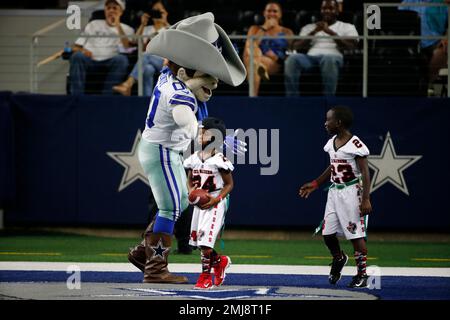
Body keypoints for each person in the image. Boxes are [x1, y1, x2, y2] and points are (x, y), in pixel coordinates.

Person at [129, 12, 246, 284]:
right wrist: (213, 139)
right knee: (170, 208)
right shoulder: (180, 94)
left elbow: (170, 61)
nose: (214, 83)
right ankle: (155, 268)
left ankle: (142, 253)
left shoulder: (171, 75)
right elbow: (186, 121)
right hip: (161, 150)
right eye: (208, 75)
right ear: (183, 72)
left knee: (179, 203)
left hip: (163, 148)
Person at [299, 106, 372, 288]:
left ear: (338, 123)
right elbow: (333, 167)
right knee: (327, 233)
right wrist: (316, 183)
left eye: (329, 119)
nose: (325, 122)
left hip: (351, 192)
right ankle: (339, 258)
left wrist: (365, 198)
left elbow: (365, 172)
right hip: (334, 191)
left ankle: (362, 274)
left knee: (355, 234)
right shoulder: (332, 142)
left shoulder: (355, 144)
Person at [184, 117, 234, 289]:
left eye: (203, 131)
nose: (199, 133)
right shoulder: (193, 158)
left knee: (205, 244)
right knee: (200, 242)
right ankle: (220, 262)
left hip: (215, 201)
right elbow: (189, 180)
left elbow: (229, 184)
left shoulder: (219, 159)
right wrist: (191, 191)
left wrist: (216, 199)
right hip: (200, 203)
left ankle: (205, 277)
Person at [284, 0, 358, 96]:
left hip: (333, 57)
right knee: (292, 59)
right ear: (321, 11)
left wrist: (330, 32)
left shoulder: (347, 27)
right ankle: (292, 99)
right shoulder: (309, 27)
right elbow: (296, 46)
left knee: (329, 59)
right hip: (310, 59)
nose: (327, 11)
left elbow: (351, 46)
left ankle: (328, 100)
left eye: (331, 8)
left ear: (337, 10)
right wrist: (314, 32)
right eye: (324, 8)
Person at [69, 0, 134, 95]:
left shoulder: (128, 29)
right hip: (90, 59)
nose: (111, 10)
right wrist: (83, 51)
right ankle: (76, 97)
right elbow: (76, 47)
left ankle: (106, 97)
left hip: (111, 61)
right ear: (105, 11)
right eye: (108, 8)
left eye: (114, 8)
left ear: (121, 12)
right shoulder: (93, 24)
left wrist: (118, 25)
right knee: (77, 56)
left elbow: (127, 49)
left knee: (122, 60)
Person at [113, 1, 170, 96]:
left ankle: (128, 84)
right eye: (154, 11)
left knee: (145, 55)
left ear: (165, 12)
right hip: (147, 62)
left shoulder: (170, 28)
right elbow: (134, 42)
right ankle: (146, 100)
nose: (156, 13)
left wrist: (165, 22)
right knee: (148, 70)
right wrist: (142, 24)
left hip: (165, 63)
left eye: (159, 11)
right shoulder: (147, 29)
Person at [243, 1, 294, 96]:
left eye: (275, 11)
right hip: (253, 60)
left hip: (274, 63)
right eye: (269, 11)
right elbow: (249, 48)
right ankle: (260, 75)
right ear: (264, 13)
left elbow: (292, 52)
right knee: (254, 56)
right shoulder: (254, 28)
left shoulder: (287, 32)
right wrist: (265, 28)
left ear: (280, 14)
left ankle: (252, 99)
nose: (272, 14)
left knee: (253, 62)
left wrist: (278, 58)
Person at [399, 0, 449, 96]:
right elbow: (399, 24)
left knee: (441, 53)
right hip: (411, 44)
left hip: (434, 43)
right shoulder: (406, 3)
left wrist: (446, 37)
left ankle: (426, 86)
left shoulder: (441, 4)